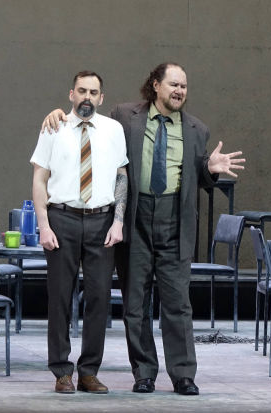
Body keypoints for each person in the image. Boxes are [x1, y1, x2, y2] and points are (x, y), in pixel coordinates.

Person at [43, 62, 244, 396]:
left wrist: (210, 169)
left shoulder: (197, 129)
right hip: (136, 218)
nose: (179, 91)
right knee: (135, 304)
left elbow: (198, 176)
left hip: (174, 220)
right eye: (173, 84)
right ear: (155, 85)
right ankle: (144, 373)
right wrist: (56, 114)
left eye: (184, 86)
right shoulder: (125, 117)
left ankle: (183, 375)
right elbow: (87, 117)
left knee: (178, 303)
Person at [30, 71, 129, 395]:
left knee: (99, 298)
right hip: (62, 219)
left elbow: (122, 176)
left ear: (101, 98)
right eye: (82, 90)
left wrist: (118, 220)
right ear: (71, 94)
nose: (87, 97)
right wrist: (44, 225)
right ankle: (62, 371)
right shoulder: (53, 127)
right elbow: (39, 179)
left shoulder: (113, 129)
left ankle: (89, 372)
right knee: (60, 297)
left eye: (93, 92)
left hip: (102, 221)